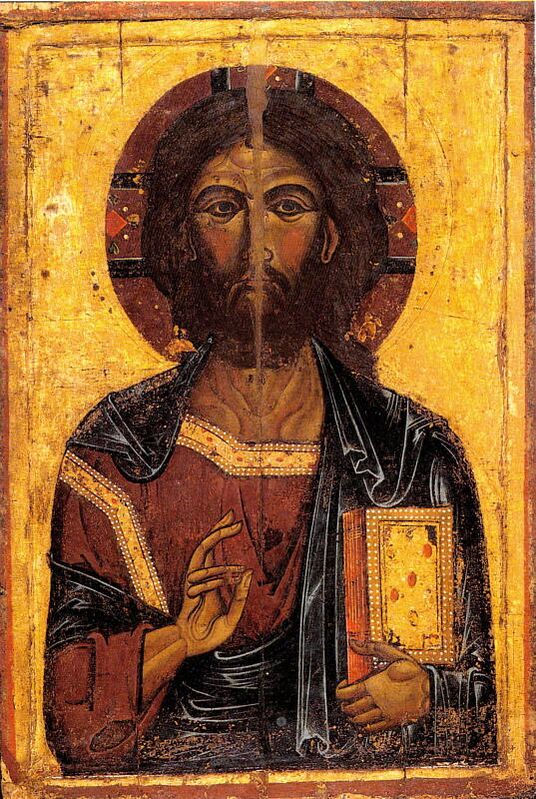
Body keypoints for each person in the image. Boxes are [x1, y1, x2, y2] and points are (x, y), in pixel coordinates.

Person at [44, 83, 496, 775]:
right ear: (183, 238)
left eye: (286, 207)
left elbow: (493, 700)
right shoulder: (119, 454)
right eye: (222, 208)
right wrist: (179, 639)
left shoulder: (409, 453)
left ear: (331, 236)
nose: (256, 246)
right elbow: (67, 719)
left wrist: (432, 693)